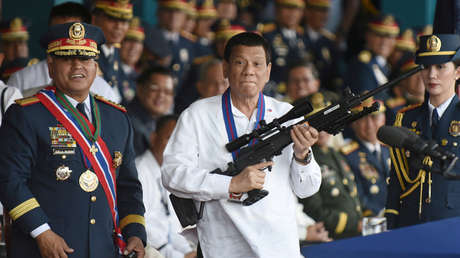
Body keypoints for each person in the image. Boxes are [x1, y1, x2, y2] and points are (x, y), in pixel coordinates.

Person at [161, 32, 321, 257]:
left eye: (257, 64)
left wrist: (302, 155)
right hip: (224, 246)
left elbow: (307, 190)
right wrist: (230, 184)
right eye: (240, 62)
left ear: (268, 71)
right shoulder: (197, 114)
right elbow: (172, 174)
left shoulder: (288, 114)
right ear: (225, 69)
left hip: (279, 247)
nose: (249, 71)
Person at [0, 22, 146, 258]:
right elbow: (9, 181)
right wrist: (42, 233)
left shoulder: (116, 118)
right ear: (50, 66)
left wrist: (135, 233)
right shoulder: (26, 115)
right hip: (46, 248)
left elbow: (128, 186)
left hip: (103, 249)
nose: (78, 65)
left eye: (86, 58)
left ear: (95, 66)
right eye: (67, 58)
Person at [385, 34, 460, 229]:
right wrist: (391, 219)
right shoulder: (406, 118)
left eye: (440, 67)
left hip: (452, 223)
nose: (431, 75)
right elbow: (396, 180)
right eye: (426, 67)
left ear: (458, 72)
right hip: (410, 224)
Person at [7, 2, 119, 103]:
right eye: (60, 32)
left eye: (83, 58)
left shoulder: (104, 90)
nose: (77, 65)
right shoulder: (21, 79)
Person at [299, 92, 363, 239]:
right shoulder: (304, 158)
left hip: (354, 233)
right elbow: (313, 209)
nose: (322, 129)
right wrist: (353, 224)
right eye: (315, 123)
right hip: (331, 237)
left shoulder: (334, 153)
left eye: (326, 121)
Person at [136, 115, 196, 258]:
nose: (174, 147)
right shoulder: (140, 170)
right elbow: (145, 225)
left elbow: (171, 224)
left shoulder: (169, 171)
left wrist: (187, 252)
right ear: (153, 138)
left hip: (171, 248)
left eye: (179, 142)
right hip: (149, 249)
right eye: (169, 138)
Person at [342, 97, 390, 217]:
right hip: (373, 220)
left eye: (374, 117)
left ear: (383, 119)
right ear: (353, 123)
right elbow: (357, 198)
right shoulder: (347, 156)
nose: (369, 125)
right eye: (362, 119)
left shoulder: (392, 148)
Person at [260, 0, 310, 97]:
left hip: (300, 91)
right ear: (277, 10)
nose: (292, 13)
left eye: (296, 9)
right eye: (288, 8)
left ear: (302, 13)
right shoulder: (267, 36)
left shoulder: (304, 37)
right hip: (274, 92)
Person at [345, 14, 399, 101]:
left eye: (389, 36)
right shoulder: (362, 64)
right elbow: (367, 102)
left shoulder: (386, 64)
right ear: (368, 36)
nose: (384, 41)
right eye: (379, 35)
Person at [127, 66, 175, 156]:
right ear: (140, 88)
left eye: (167, 92)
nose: (161, 95)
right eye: (155, 89)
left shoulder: (159, 122)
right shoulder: (129, 123)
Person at [92, 0, 132, 104]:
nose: (118, 26)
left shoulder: (115, 51)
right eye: (111, 19)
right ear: (95, 20)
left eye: (124, 21)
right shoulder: (89, 53)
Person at [303, 0, 344, 93]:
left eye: (326, 11)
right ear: (308, 12)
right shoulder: (298, 36)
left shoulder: (330, 42)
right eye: (319, 10)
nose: (324, 16)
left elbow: (336, 75)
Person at [120, 16, 145, 105]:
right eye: (129, 40)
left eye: (138, 42)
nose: (133, 47)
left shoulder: (141, 76)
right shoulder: (110, 72)